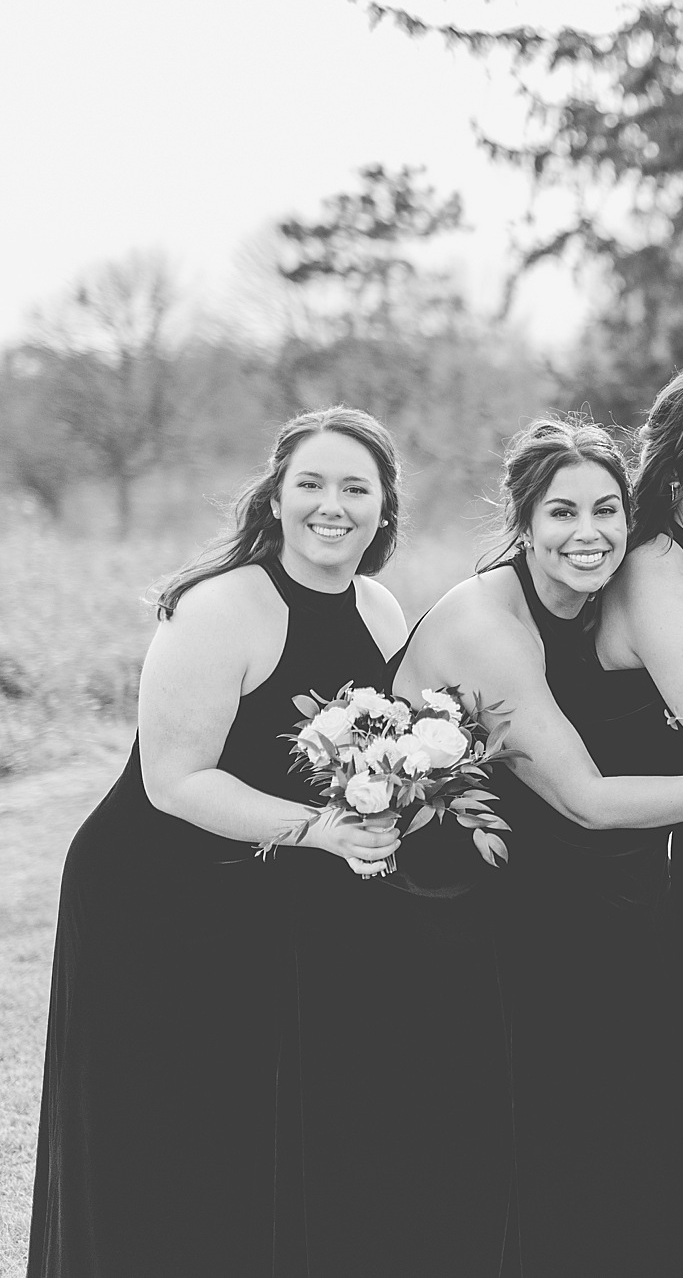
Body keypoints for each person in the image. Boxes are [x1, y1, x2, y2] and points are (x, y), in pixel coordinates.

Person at [393, 418, 683, 1276]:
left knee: (612, 1124)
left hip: (560, 893)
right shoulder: (485, 626)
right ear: (522, 522)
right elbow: (582, 799)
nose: (588, 534)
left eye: (605, 510)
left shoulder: (598, 598)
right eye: (562, 513)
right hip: (457, 907)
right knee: (522, 1137)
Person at [31, 408, 408, 1277]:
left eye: (356, 488)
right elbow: (174, 781)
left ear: (384, 508)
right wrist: (323, 830)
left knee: (255, 1129)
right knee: (169, 1132)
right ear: (275, 497)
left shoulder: (382, 609)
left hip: (274, 889)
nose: (332, 506)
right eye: (310, 484)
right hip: (157, 894)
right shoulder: (218, 607)